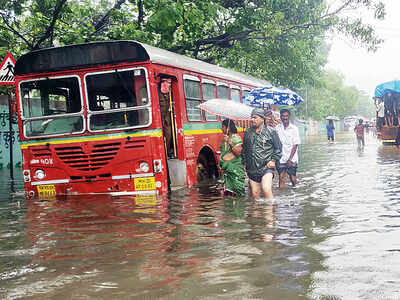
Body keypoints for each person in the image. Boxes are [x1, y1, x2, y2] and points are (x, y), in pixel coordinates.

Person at [242, 108, 282, 199]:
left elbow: (278, 148)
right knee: (255, 194)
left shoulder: (271, 132)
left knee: (266, 189)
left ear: (262, 118)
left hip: (266, 167)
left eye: (255, 117)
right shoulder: (248, 132)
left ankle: (270, 212)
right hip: (252, 168)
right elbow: (244, 149)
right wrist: (244, 163)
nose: (252, 120)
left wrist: (273, 160)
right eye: (251, 117)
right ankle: (257, 212)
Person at [219, 119, 245, 196]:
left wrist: (230, 142)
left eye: (223, 127)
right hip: (227, 170)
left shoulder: (236, 138)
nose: (221, 129)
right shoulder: (225, 138)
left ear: (228, 128)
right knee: (227, 193)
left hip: (234, 170)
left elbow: (238, 152)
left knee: (237, 192)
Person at [276, 109, 301, 188]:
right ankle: (281, 197)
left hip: (292, 158)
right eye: (283, 116)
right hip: (281, 158)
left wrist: (290, 159)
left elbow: (295, 145)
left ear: (289, 117)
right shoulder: (277, 128)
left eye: (286, 116)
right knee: (281, 178)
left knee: (293, 179)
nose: (285, 118)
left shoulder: (294, 129)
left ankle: (295, 195)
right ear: (280, 117)